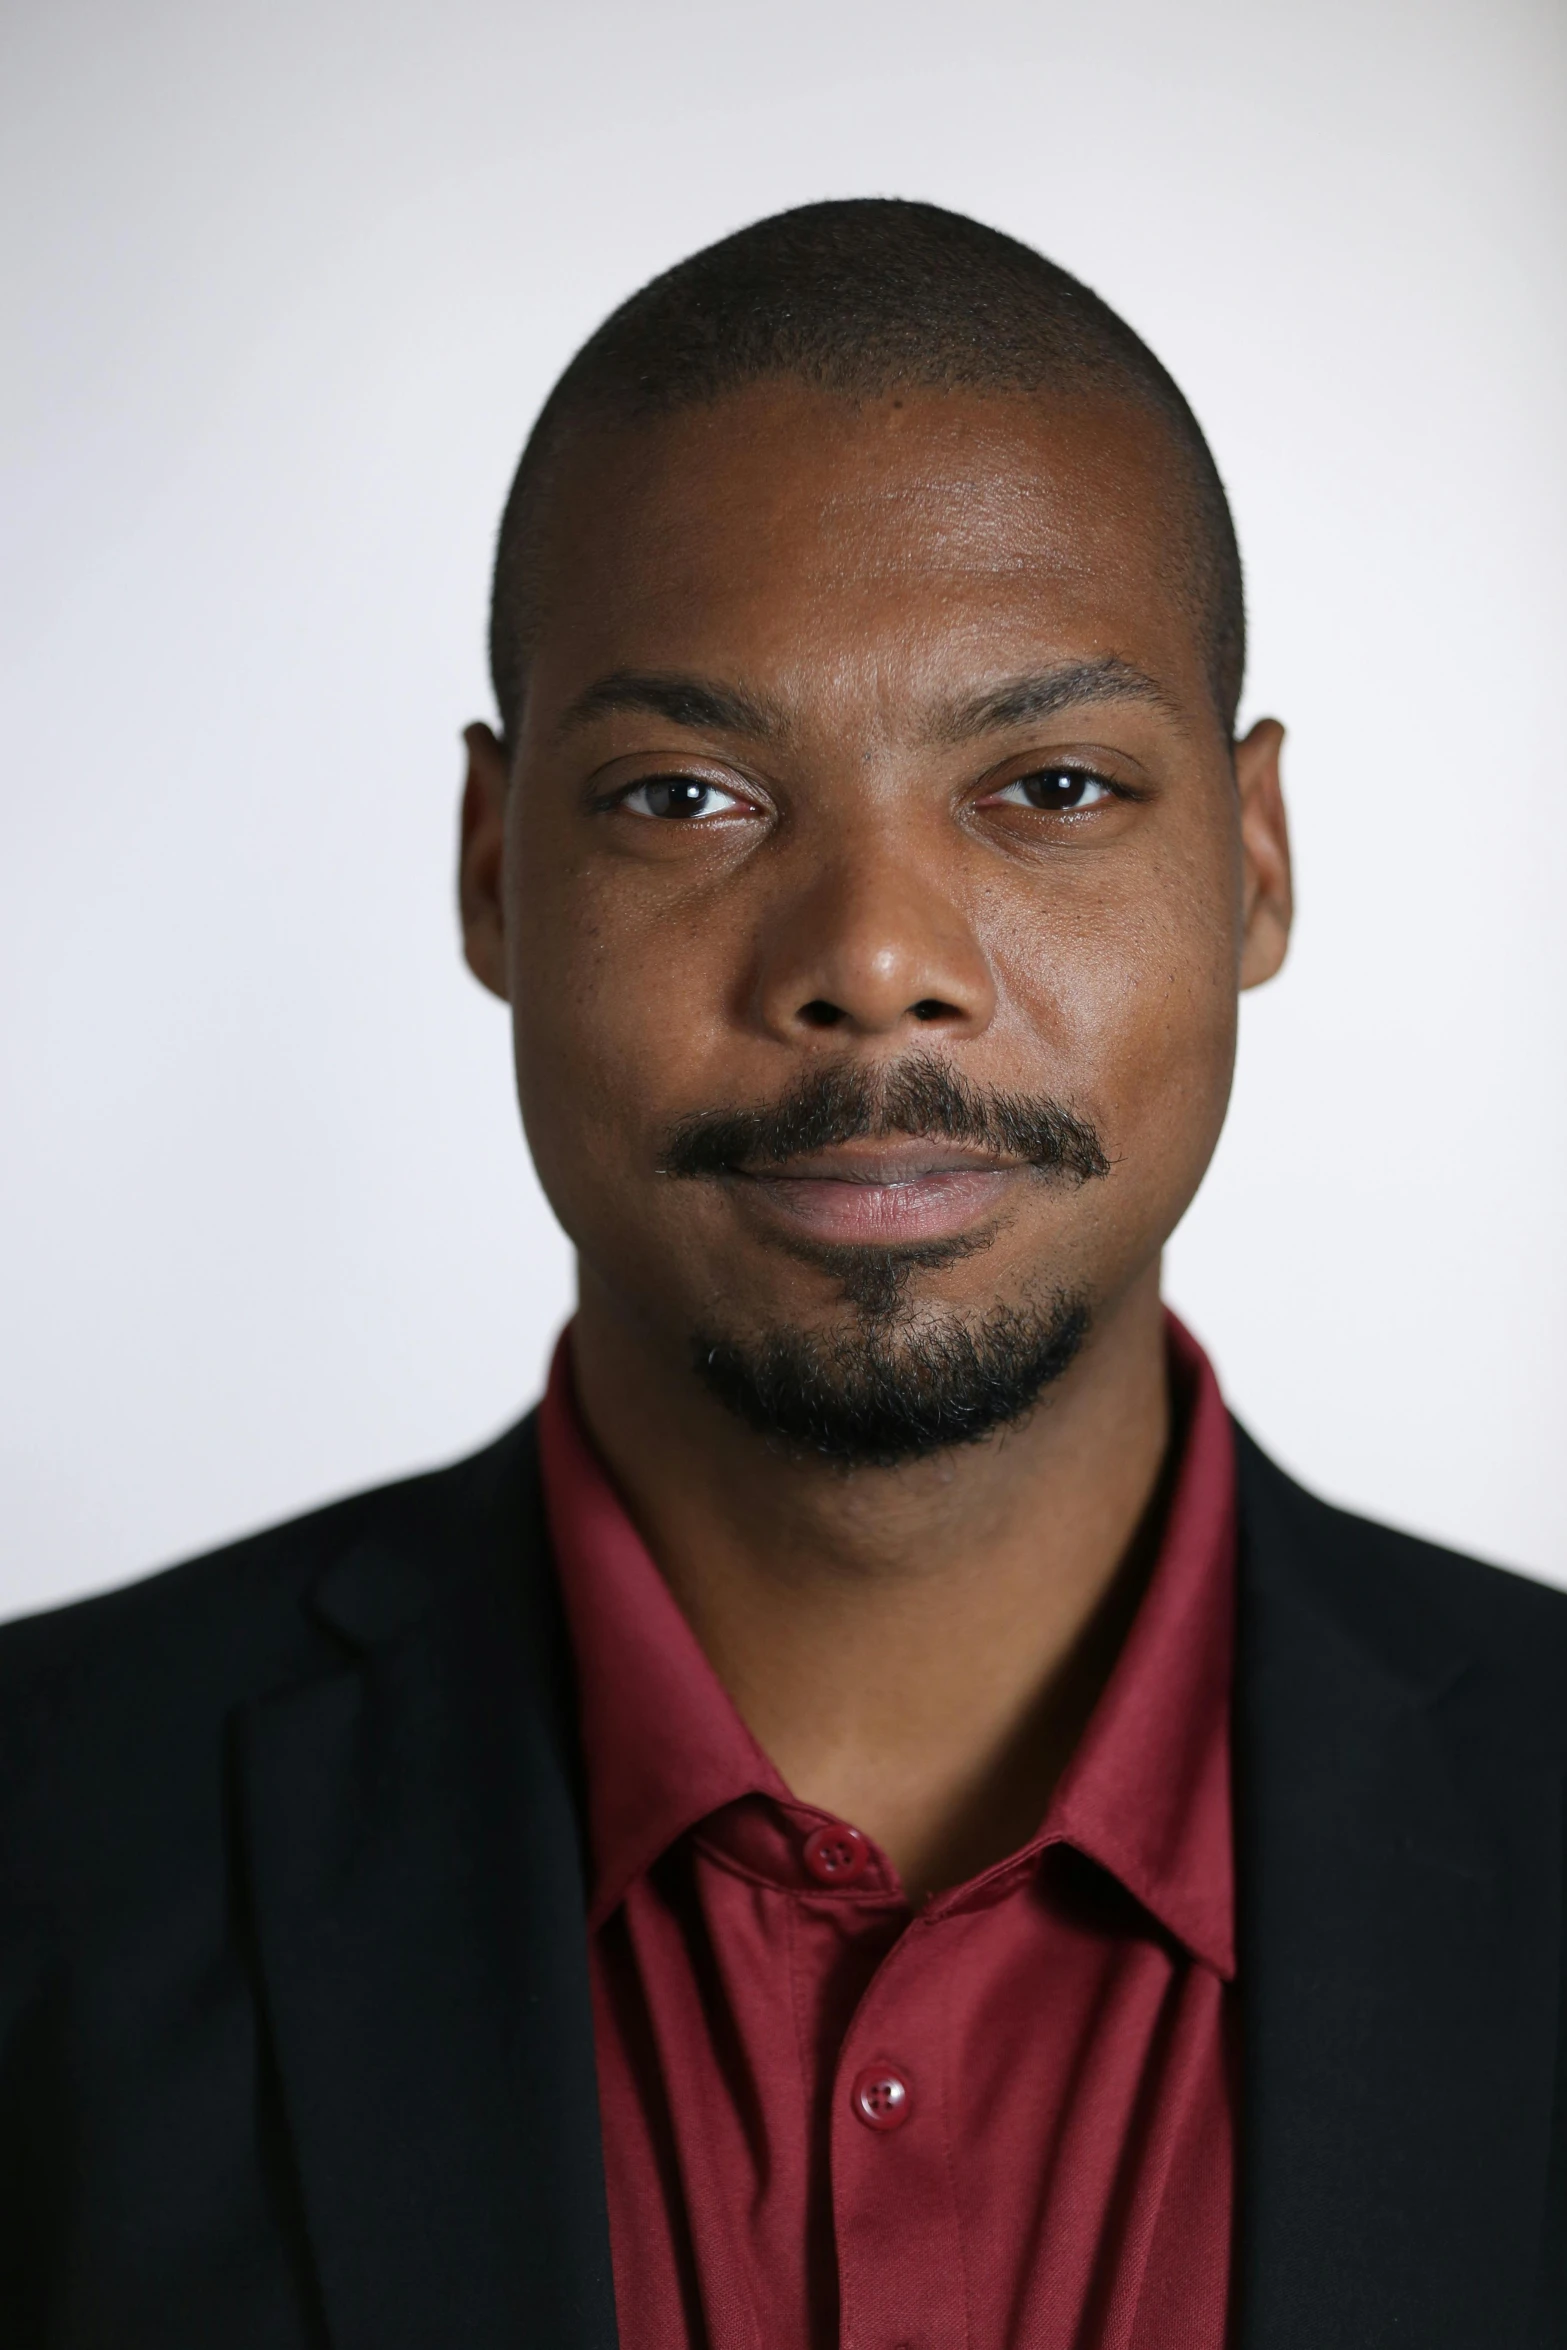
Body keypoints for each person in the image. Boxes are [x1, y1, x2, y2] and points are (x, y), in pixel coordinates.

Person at [1, 199, 1561, 2350]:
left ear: (1256, 862)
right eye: (690, 793)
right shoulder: (49, 1846)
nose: (874, 960)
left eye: (1053, 783)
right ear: (490, 873)